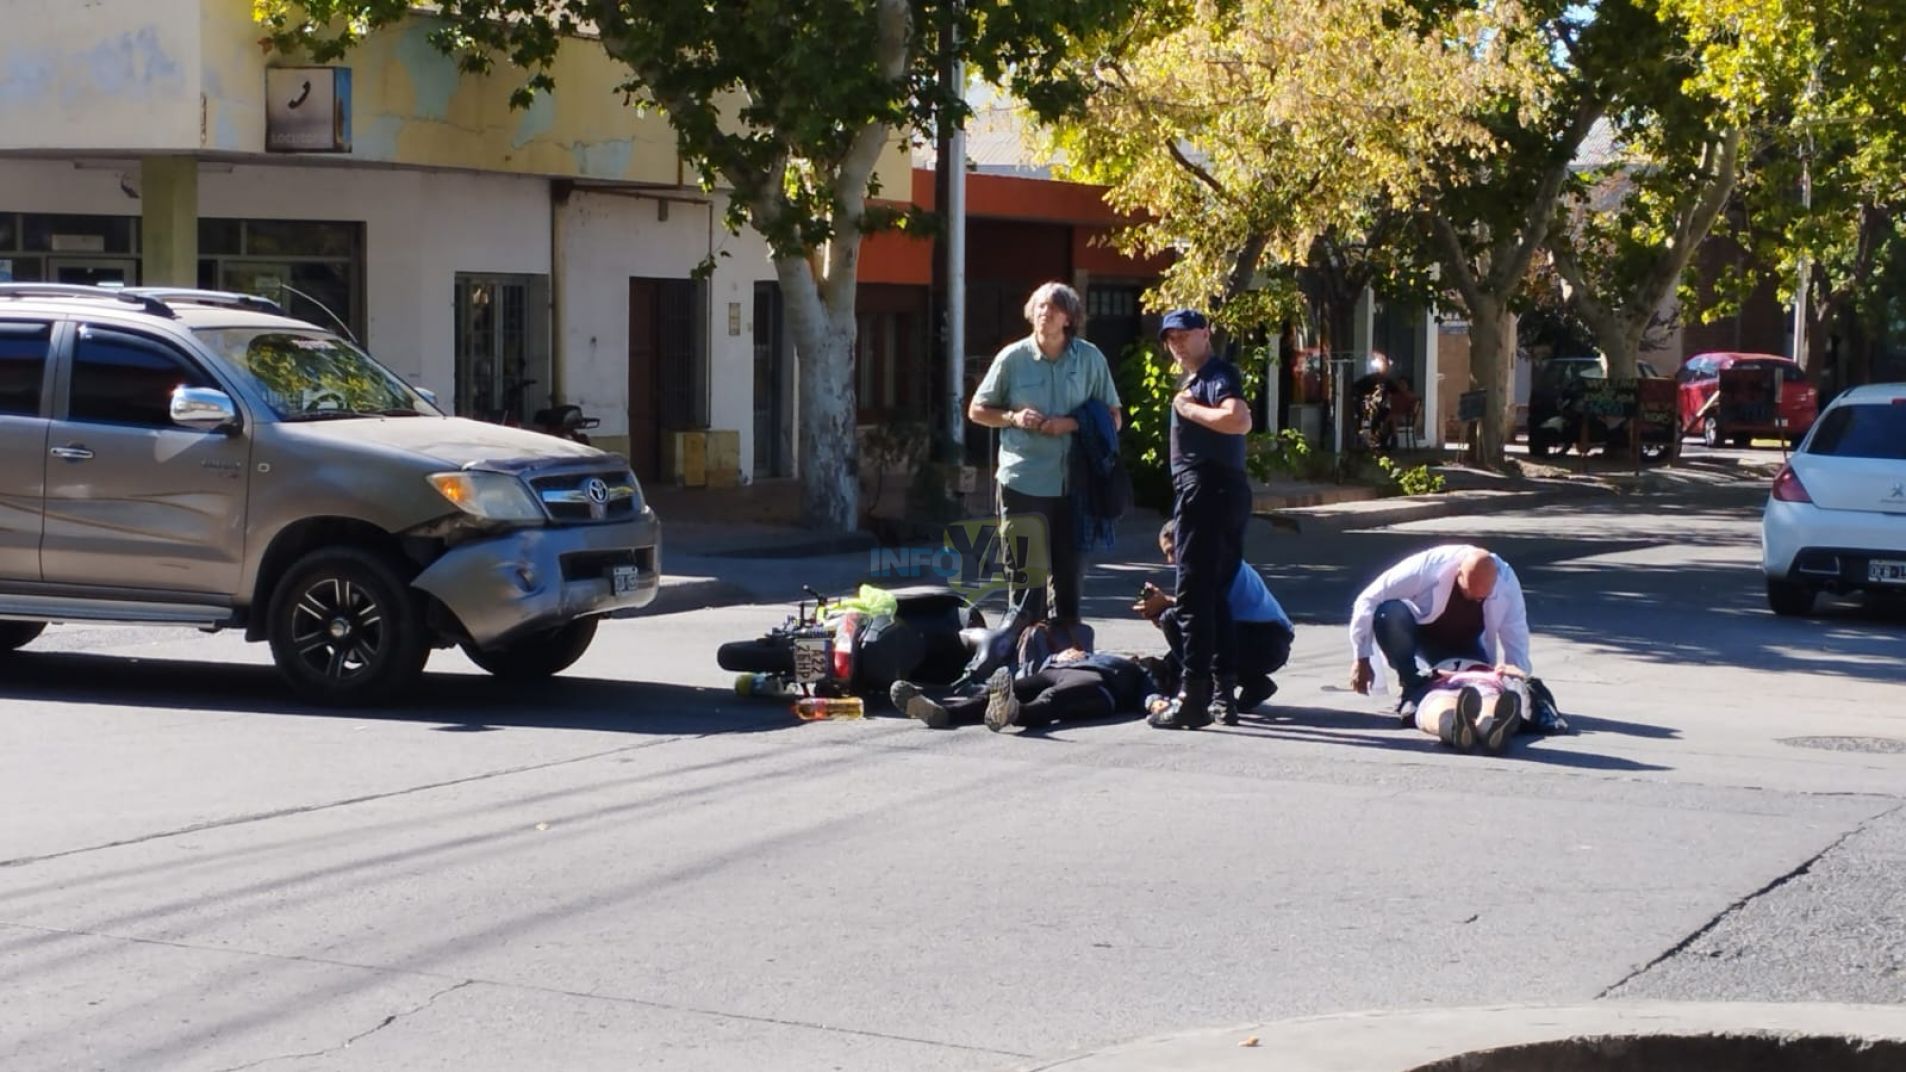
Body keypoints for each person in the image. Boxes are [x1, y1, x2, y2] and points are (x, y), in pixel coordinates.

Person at [967, 282, 1122, 628]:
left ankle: (1067, 661)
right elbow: (977, 410)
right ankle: (1024, 662)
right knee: (1025, 580)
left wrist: (1070, 424)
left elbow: (1114, 418)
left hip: (1075, 484)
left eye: (1052, 308)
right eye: (1038, 307)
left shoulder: (1090, 358)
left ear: (1069, 318)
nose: (1043, 314)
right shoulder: (1012, 358)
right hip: (1023, 480)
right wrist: (1012, 417)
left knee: (1069, 579)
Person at [1149, 308, 1254, 730]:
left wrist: (1189, 410)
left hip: (1206, 491)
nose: (1175, 343)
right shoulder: (1199, 379)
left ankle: (1193, 698)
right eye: (1169, 337)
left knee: (1193, 597)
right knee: (1213, 597)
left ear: (1205, 334)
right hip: (1224, 491)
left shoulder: (1215, 375)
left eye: (1182, 334)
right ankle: (1222, 696)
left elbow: (1238, 419)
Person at [1347, 545, 1532, 719]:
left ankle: (1489, 716)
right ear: (1458, 573)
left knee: (1481, 685)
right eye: (1470, 593)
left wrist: (1516, 683)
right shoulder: (1429, 566)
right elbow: (1367, 599)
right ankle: (1411, 685)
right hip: (1420, 638)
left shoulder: (1506, 580)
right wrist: (1361, 657)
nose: (1476, 600)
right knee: (1389, 611)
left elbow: (1516, 632)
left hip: (1468, 644)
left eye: (1482, 597)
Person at [1136, 519, 1293, 723]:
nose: (1170, 560)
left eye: (1173, 551)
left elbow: (1202, 609)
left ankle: (1201, 694)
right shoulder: (1218, 558)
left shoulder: (1210, 563)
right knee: (1175, 638)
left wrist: (1166, 607)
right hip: (1264, 642)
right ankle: (1255, 683)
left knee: (1171, 618)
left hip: (1264, 640)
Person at [891, 648, 1157, 732]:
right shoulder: (1095, 654)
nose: (1136, 656)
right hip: (1055, 670)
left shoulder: (1139, 672)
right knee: (993, 692)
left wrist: (1155, 703)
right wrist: (1060, 655)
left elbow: (1150, 693)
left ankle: (1015, 712)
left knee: (1051, 700)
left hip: (1099, 687)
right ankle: (944, 714)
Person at [1408, 663, 1528, 754]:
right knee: (1489, 708)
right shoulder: (1494, 672)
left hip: (1445, 688)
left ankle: (1455, 731)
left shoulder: (1435, 670)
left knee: (1440, 708)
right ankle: (1489, 730)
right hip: (1485, 688)